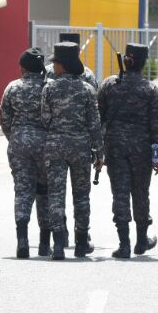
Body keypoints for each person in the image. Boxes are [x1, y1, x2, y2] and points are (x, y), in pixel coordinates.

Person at [97, 43, 158, 259]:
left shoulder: (109, 85)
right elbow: (157, 126)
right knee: (140, 194)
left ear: (125, 60)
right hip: (142, 149)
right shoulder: (150, 89)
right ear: (144, 64)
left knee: (120, 194)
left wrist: (98, 150)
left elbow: (100, 118)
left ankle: (124, 244)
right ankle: (141, 241)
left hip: (115, 147)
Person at [41, 42, 103, 259]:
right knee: (81, 196)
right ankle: (81, 243)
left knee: (56, 195)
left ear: (63, 65)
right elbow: (94, 124)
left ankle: (58, 244)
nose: (53, 68)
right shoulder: (87, 89)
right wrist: (100, 152)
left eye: (55, 63)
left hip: (55, 146)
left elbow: (45, 119)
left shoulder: (49, 88)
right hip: (81, 147)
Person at [0, 48, 54, 258]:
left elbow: (4, 118)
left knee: (22, 191)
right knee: (45, 192)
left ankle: (22, 240)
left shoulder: (13, 88)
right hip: (45, 143)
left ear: (22, 67)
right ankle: (44, 243)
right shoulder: (48, 88)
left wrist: (15, 136)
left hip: (19, 143)